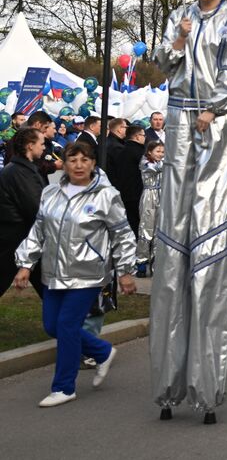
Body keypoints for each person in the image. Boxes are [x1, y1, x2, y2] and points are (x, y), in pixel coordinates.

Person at [149, 0, 227, 424]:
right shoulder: (181, 16)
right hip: (178, 115)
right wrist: (178, 40)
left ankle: (206, 386)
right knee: (174, 235)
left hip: (217, 121)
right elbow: (161, 64)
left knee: (208, 225)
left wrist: (213, 109)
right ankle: (167, 384)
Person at [13, 140, 137, 407]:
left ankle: (64, 387)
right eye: (73, 160)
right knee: (52, 326)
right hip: (53, 273)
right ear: (65, 164)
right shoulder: (51, 192)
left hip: (88, 274)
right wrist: (25, 265)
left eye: (84, 160)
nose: (79, 165)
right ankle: (102, 351)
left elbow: (123, 235)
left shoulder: (106, 195)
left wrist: (125, 271)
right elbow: (38, 230)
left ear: (93, 163)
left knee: (67, 326)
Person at [1, 127, 49, 295]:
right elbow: (36, 209)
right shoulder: (19, 172)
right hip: (17, 240)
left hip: (21, 239)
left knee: (50, 290)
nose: (44, 147)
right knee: (50, 289)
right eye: (41, 144)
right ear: (30, 145)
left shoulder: (24, 169)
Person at [135, 139, 165, 277]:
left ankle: (156, 263)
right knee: (146, 229)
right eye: (158, 151)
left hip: (162, 196)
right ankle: (141, 262)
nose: (160, 154)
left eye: (163, 152)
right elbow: (157, 168)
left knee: (159, 231)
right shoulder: (145, 162)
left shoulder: (162, 162)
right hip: (149, 196)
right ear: (149, 152)